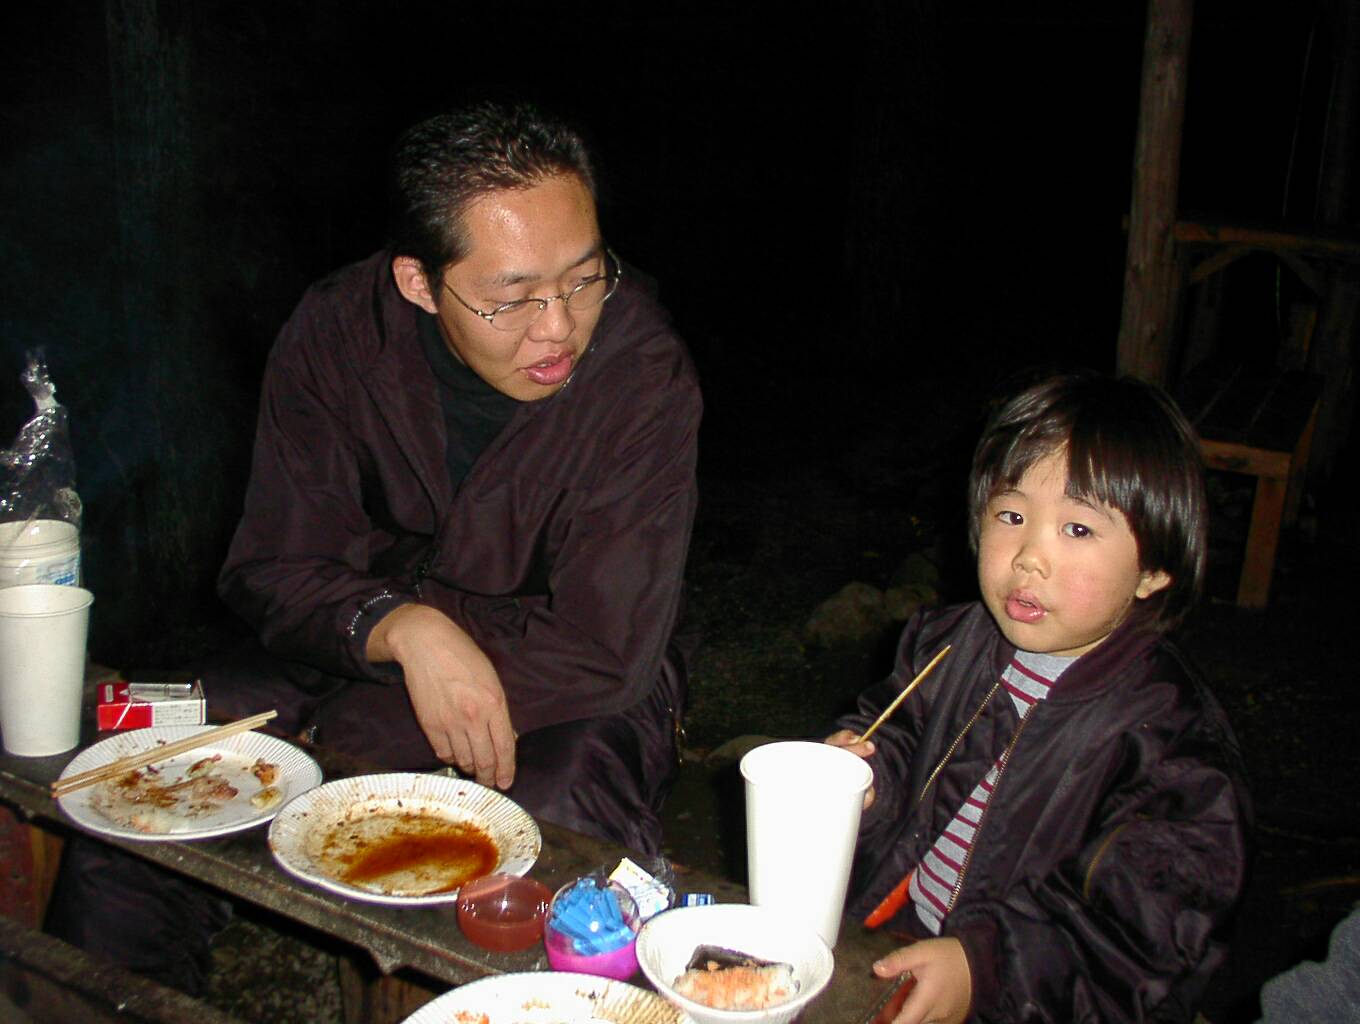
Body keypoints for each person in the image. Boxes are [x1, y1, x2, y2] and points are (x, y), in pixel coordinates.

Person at [46, 99, 701, 993]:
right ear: (419, 283)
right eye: (512, 298)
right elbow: (274, 566)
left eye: (585, 279)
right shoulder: (339, 333)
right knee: (151, 768)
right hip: (357, 636)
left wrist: (355, 730)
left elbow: (607, 646)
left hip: (574, 680)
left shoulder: (641, 373)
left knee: (557, 827)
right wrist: (396, 627)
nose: (558, 327)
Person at [826, 372, 1251, 1024]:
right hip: (895, 932)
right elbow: (898, 730)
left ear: (1154, 568)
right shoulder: (947, 644)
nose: (1029, 556)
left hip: (1016, 997)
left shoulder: (1171, 744)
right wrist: (865, 775)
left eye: (1077, 529)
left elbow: (1136, 937)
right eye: (1012, 516)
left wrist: (986, 969)